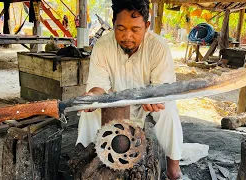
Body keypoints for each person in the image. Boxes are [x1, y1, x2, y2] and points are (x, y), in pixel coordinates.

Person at [76, 0, 183, 179]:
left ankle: (174, 167)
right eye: (120, 28)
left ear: (147, 26)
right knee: (88, 111)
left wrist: (155, 97)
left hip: (146, 104)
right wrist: (93, 95)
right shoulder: (102, 46)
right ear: (113, 23)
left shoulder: (158, 47)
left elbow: (162, 88)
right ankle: (87, 160)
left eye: (135, 29)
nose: (127, 36)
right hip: (113, 106)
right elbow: (98, 86)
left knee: (169, 110)